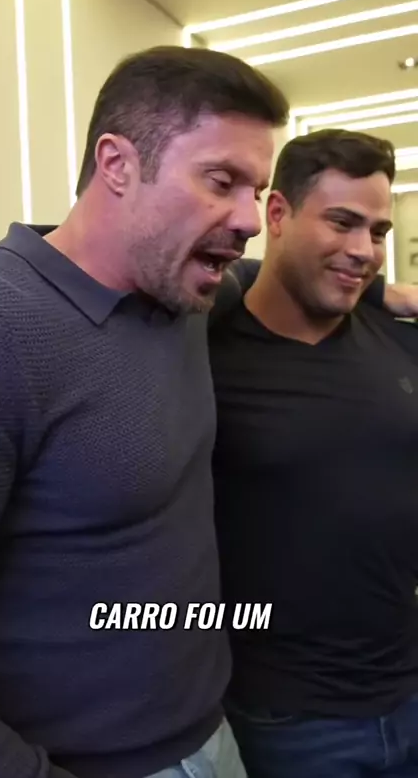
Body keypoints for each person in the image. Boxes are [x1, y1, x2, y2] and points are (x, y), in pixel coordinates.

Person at [0, 47, 414, 778]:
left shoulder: (186, 294)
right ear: (118, 164)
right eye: (221, 181)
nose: (249, 219)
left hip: (218, 737)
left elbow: (271, 274)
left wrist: (380, 291)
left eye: (256, 190)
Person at [209, 128, 418, 778]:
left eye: (378, 232)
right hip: (289, 722)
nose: (364, 251)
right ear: (277, 214)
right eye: (342, 222)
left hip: (409, 689)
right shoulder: (203, 352)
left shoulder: (397, 337)